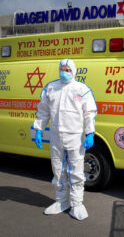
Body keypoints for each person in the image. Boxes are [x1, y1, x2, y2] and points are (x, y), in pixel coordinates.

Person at [32, 59, 97, 220]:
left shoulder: (82, 89)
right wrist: (38, 129)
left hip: (75, 135)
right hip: (55, 135)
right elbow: (43, 111)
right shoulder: (51, 88)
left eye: (68, 69)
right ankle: (62, 201)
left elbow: (89, 112)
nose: (64, 72)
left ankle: (77, 204)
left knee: (76, 170)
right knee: (58, 169)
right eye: (62, 69)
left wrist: (89, 132)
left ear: (73, 71)